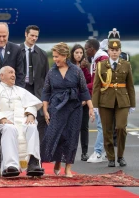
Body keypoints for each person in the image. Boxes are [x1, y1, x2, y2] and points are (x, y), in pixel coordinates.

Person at [40, 42, 95, 177]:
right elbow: (46, 92)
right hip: (56, 107)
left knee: (71, 137)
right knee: (56, 135)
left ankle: (68, 168)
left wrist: (91, 107)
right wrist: (45, 110)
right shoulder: (52, 72)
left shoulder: (76, 71)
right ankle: (58, 160)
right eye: (53, 56)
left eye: (57, 56)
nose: (55, 59)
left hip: (73, 107)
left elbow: (83, 90)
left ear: (64, 56)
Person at [0, 66, 44, 177]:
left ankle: (33, 162)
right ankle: (10, 165)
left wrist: (30, 115)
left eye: (14, 72)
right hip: (2, 122)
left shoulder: (21, 91)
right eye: (10, 72)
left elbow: (32, 105)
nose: (13, 75)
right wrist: (2, 119)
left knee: (32, 126)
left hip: (22, 121)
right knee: (10, 128)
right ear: (1, 76)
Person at [92, 37, 136, 167]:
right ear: (108, 51)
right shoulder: (101, 65)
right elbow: (96, 86)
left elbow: (130, 86)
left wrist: (132, 104)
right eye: (112, 50)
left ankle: (120, 156)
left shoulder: (126, 65)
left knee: (121, 128)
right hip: (105, 101)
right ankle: (111, 157)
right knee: (107, 130)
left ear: (120, 51)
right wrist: (95, 105)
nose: (114, 52)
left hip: (122, 101)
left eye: (117, 50)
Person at [20, 25, 49, 142]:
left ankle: (39, 150)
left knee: (39, 120)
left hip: (37, 90)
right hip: (22, 89)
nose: (34, 38)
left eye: (36, 36)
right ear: (26, 34)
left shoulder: (42, 54)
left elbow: (46, 76)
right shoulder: (16, 51)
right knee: (22, 117)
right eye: (32, 35)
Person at [84, 39, 109, 163]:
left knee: (101, 126)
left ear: (92, 48)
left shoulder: (102, 59)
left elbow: (98, 81)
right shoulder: (96, 59)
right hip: (99, 95)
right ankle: (105, 153)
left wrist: (83, 88)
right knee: (104, 126)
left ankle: (98, 152)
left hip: (103, 97)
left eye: (86, 48)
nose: (85, 51)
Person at [70, 44, 92, 161]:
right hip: (71, 101)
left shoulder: (85, 67)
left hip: (84, 102)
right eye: (76, 53)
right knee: (72, 128)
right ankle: (70, 152)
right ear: (72, 54)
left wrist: (84, 97)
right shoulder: (68, 67)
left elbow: (90, 83)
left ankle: (84, 152)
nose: (79, 55)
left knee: (84, 127)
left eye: (80, 53)